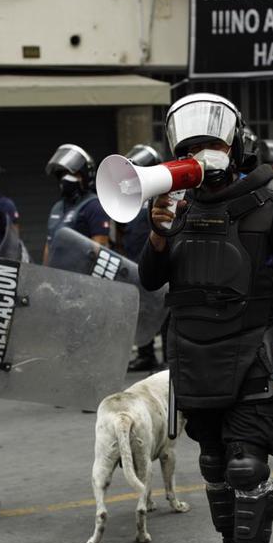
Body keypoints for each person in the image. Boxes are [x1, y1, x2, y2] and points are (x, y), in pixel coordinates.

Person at [139, 93, 273, 543]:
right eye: (192, 144)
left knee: (245, 465)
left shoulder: (271, 199)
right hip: (195, 352)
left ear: (235, 145)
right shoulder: (179, 206)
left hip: (256, 350)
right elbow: (151, 279)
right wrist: (156, 233)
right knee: (214, 464)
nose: (203, 151)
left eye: (212, 141)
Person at [121, 143, 166, 373]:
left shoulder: (162, 198)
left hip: (158, 264)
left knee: (165, 311)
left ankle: (168, 358)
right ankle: (146, 354)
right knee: (143, 312)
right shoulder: (133, 198)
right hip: (134, 264)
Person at [41, 144, 111, 265]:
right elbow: (49, 245)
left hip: (80, 278)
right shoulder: (57, 208)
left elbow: (99, 251)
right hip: (56, 277)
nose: (66, 178)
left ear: (84, 176)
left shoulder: (94, 206)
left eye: (72, 173)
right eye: (63, 174)